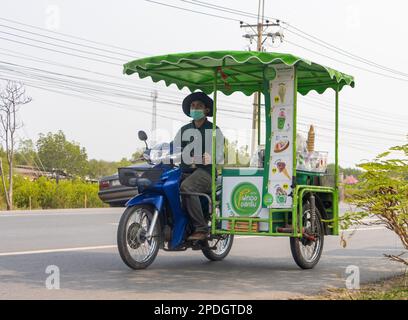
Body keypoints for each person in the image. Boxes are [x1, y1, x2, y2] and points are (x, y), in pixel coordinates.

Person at [172, 91, 224, 241]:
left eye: (199, 106)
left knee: (187, 187)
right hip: (185, 171)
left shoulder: (214, 130)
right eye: (193, 106)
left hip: (206, 173)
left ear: (206, 110)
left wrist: (211, 157)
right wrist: (153, 151)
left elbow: (220, 153)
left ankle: (201, 228)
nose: (195, 108)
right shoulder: (184, 130)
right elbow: (172, 147)